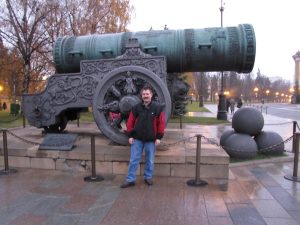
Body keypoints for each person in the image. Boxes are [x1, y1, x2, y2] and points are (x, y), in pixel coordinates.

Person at [120, 85, 166, 188]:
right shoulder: (136, 108)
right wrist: (130, 135)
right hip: (137, 138)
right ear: (142, 95)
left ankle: (148, 177)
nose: (145, 96)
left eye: (147, 94)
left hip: (151, 139)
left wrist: (159, 137)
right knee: (133, 159)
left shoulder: (157, 108)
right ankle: (130, 179)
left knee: (150, 159)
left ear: (151, 95)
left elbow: (161, 124)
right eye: (144, 94)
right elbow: (130, 122)